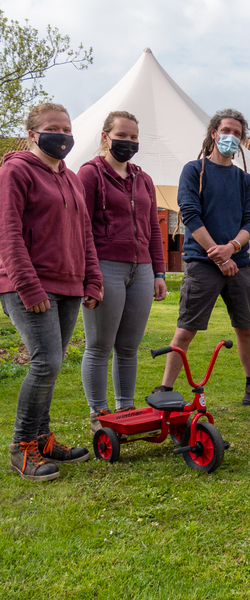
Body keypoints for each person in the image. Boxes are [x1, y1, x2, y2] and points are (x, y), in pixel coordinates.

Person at [153, 109, 250, 412]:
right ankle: (165, 390)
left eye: (237, 134)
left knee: (245, 328)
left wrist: (233, 247)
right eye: (227, 130)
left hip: (239, 263)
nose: (231, 137)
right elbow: (189, 213)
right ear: (213, 133)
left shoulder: (244, 179)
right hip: (202, 263)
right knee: (186, 329)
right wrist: (218, 253)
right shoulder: (193, 171)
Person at [0, 103, 102, 481]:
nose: (62, 135)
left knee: (52, 363)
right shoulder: (15, 171)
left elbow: (85, 234)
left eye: (66, 128)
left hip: (69, 284)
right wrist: (28, 285)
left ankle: (42, 439)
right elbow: (8, 233)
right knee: (46, 361)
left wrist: (92, 279)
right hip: (28, 283)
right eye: (52, 128)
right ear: (32, 133)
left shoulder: (72, 178)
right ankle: (21, 446)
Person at [78, 111, 167, 434]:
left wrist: (159, 271)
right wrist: (89, 274)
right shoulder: (89, 174)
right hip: (105, 266)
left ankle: (125, 409)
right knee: (100, 344)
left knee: (129, 346)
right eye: (122, 136)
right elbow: (81, 227)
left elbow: (153, 230)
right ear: (106, 137)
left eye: (133, 137)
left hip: (141, 268)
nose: (128, 142)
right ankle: (98, 414)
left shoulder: (143, 179)